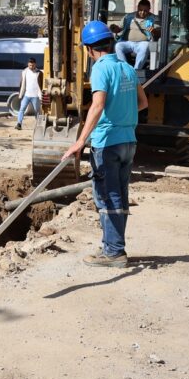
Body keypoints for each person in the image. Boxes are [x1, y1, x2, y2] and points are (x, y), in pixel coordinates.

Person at [61, 20, 148, 267]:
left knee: (107, 197)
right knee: (120, 194)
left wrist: (80, 141)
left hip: (107, 142)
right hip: (128, 141)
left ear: (89, 49)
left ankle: (114, 253)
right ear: (110, 43)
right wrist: (122, 113)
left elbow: (98, 105)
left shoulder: (100, 68)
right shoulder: (127, 68)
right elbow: (143, 103)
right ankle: (112, 245)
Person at [113, 0, 158, 69]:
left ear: (149, 9)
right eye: (140, 10)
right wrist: (114, 28)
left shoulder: (153, 18)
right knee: (118, 46)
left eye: (145, 11)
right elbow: (119, 29)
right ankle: (125, 68)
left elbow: (159, 33)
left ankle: (136, 70)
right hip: (127, 42)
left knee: (145, 46)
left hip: (142, 43)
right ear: (137, 7)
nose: (142, 12)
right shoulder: (128, 17)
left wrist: (153, 31)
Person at [15, 57, 42, 130]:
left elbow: (41, 84)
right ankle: (19, 124)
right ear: (28, 64)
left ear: (35, 64)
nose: (31, 66)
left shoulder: (39, 73)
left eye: (32, 65)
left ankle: (38, 125)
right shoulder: (25, 72)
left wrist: (41, 95)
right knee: (22, 109)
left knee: (37, 111)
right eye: (30, 65)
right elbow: (22, 84)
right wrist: (20, 94)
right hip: (26, 95)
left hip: (35, 96)